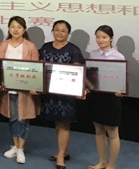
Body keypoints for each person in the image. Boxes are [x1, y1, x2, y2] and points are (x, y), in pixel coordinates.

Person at [40, 19, 85, 169]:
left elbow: (78, 71)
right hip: (50, 93)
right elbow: (39, 66)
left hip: (66, 94)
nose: (59, 33)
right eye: (57, 29)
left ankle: (60, 156)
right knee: (57, 122)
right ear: (52, 31)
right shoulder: (45, 47)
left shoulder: (73, 50)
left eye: (63, 30)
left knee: (64, 123)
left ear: (68, 33)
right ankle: (64, 151)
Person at [0, 16, 40, 164]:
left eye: (19, 27)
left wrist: (35, 86)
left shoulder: (30, 46)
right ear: (9, 29)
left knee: (23, 118)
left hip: (25, 91)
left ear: (24, 29)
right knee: (12, 118)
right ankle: (15, 146)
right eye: (13, 27)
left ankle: (21, 148)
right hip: (8, 90)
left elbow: (36, 69)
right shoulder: (3, 45)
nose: (15, 30)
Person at [87, 25, 125, 169]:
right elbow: (90, 77)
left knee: (113, 132)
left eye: (104, 37)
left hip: (111, 99)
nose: (100, 40)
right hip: (97, 97)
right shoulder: (92, 54)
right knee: (99, 130)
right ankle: (102, 161)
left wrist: (120, 89)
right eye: (98, 37)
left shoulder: (118, 56)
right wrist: (87, 86)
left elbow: (122, 79)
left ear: (111, 38)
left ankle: (111, 165)